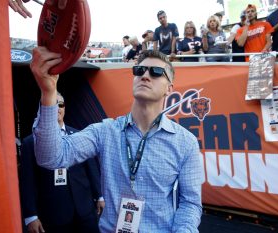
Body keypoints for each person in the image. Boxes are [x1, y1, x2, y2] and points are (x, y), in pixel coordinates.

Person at [30, 47, 202, 233]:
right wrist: (48, 94)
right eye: (139, 70)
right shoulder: (105, 131)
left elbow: (190, 203)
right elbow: (51, 157)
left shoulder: (186, 142)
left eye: (156, 72)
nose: (145, 75)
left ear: (169, 89)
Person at [20, 93, 104, 233]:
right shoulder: (31, 142)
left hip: (85, 210)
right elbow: (27, 182)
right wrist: (31, 216)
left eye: (61, 104)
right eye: (53, 104)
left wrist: (99, 196)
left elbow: (91, 168)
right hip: (53, 214)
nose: (57, 108)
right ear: (44, 109)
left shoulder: (79, 135)